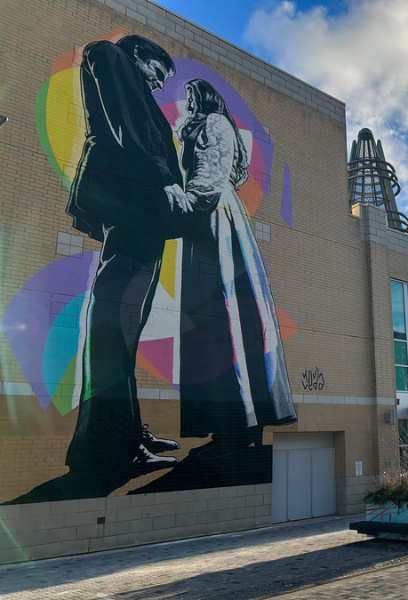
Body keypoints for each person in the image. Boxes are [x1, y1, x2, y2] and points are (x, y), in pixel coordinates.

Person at [65, 35, 190, 478]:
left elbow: (136, 116)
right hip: (134, 208)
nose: (159, 86)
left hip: (141, 215)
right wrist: (163, 179)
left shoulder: (131, 76)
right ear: (142, 54)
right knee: (114, 327)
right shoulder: (109, 53)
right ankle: (110, 446)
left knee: (124, 330)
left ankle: (126, 432)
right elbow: (126, 120)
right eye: (160, 74)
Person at [175, 79, 296, 459]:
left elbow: (211, 175)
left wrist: (186, 204)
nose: (187, 103)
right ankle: (229, 416)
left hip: (213, 216)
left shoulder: (215, 124)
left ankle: (242, 415)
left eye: (192, 97)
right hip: (207, 218)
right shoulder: (201, 126)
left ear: (206, 98)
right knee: (209, 316)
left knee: (226, 307)